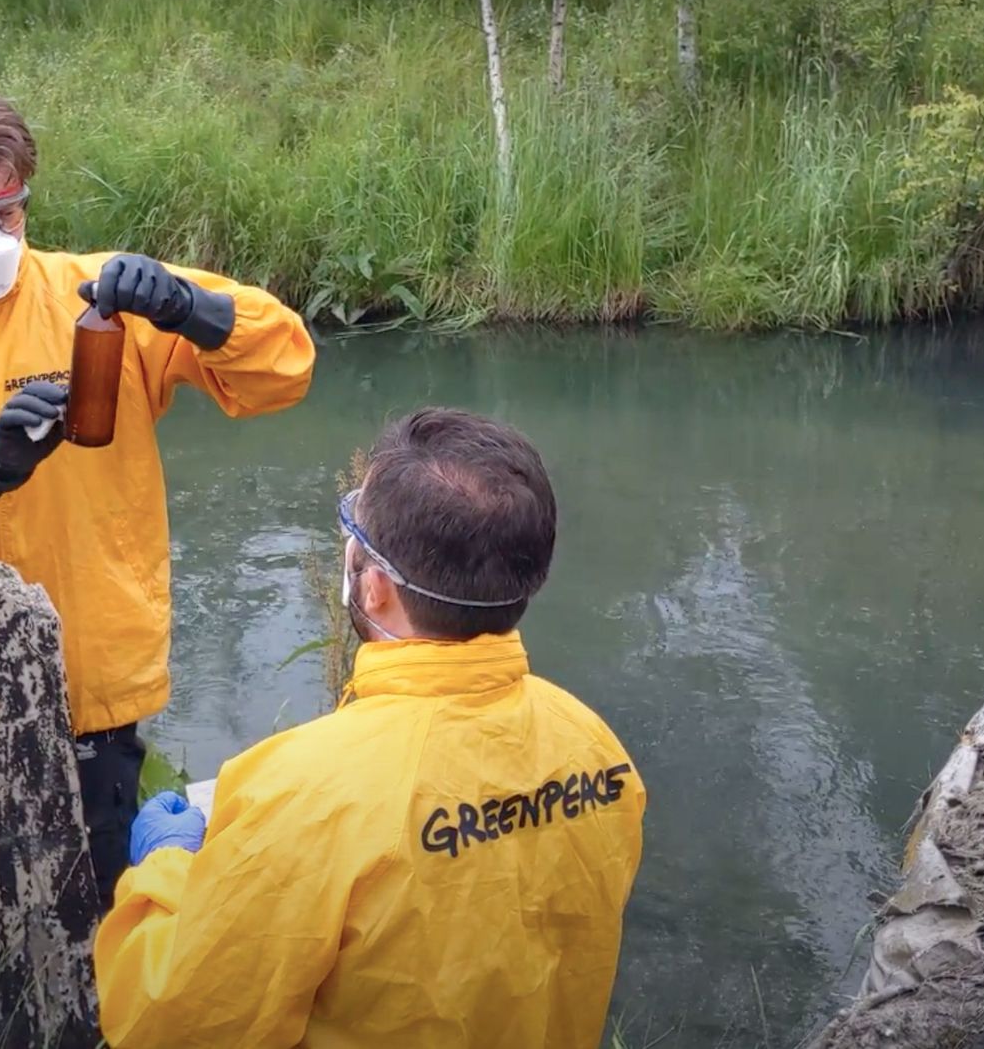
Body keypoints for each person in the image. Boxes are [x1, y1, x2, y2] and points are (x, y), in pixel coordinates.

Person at [0, 84, 316, 906]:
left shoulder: (95, 296)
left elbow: (285, 372)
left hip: (94, 688)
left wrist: (191, 309)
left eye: (6, 213)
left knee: (95, 917)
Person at [94, 408, 647, 1049]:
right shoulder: (599, 750)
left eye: (355, 529)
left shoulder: (305, 795)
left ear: (378, 587)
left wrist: (165, 869)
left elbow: (169, 1024)